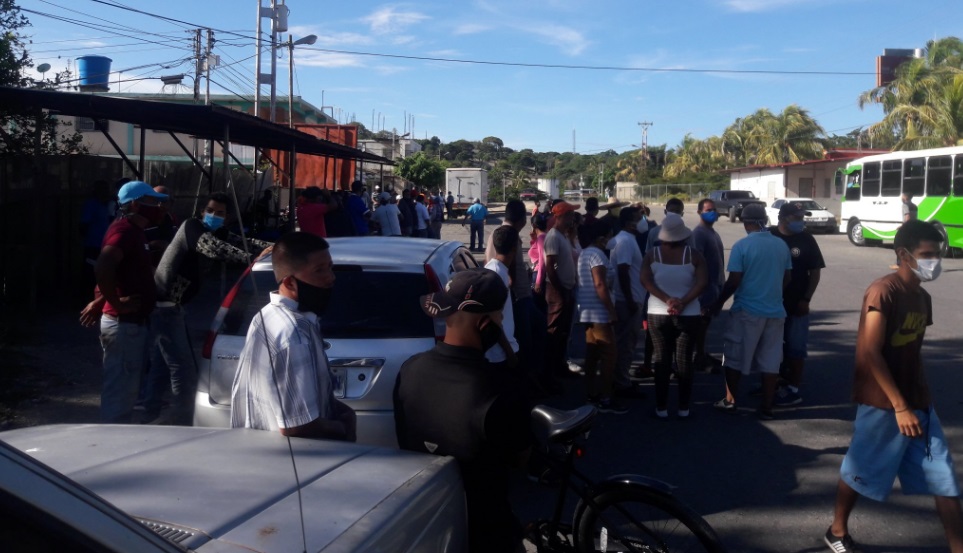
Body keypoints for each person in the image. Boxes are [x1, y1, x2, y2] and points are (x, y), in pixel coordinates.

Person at [824, 220, 963, 553]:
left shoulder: (922, 297)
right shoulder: (882, 291)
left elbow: (911, 352)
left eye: (937, 254)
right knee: (859, 469)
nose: (935, 262)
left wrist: (918, 400)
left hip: (918, 404)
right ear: (903, 254)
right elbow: (870, 351)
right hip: (882, 404)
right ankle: (836, 530)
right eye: (927, 254)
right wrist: (899, 405)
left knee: (944, 481)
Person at [394, 268, 533, 553]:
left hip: (427, 521)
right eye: (500, 317)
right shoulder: (500, 388)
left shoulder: (410, 370)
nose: (501, 322)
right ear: (486, 324)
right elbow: (520, 457)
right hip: (486, 530)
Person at [138, 193, 274, 425]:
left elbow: (240, 240)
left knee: (163, 365)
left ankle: (150, 411)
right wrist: (253, 257)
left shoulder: (215, 231)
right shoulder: (192, 228)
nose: (214, 216)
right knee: (183, 370)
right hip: (165, 307)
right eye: (210, 210)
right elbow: (216, 249)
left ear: (227, 217)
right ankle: (181, 419)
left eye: (220, 213)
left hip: (172, 306)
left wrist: (275, 247)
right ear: (202, 211)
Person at [230, 232, 356, 441]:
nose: (331, 278)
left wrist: (344, 411)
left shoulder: (267, 315)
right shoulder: (293, 335)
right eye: (319, 271)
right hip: (295, 464)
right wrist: (343, 427)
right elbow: (298, 426)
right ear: (289, 283)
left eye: (330, 267)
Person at [92, 181, 168, 424]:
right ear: (135, 204)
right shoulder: (123, 231)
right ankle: (111, 446)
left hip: (132, 324)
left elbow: (125, 272)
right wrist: (117, 302)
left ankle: (115, 439)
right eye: (153, 201)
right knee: (120, 393)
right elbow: (104, 266)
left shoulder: (135, 232)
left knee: (127, 390)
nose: (158, 206)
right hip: (123, 324)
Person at [712, 204, 792, 420]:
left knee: (735, 356)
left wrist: (717, 304)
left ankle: (730, 401)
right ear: (764, 220)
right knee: (771, 360)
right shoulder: (781, 245)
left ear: (745, 222)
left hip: (747, 311)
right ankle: (767, 407)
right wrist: (772, 294)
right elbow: (787, 278)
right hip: (775, 311)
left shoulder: (742, 246)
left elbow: (733, 281)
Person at [641, 213, 707, 419]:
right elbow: (702, 282)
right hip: (689, 314)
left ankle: (661, 408)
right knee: (684, 360)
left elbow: (646, 281)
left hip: (658, 312)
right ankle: (683, 408)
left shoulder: (652, 254)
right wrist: (683, 302)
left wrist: (666, 300)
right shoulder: (694, 255)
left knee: (661, 360)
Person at [486, 200, 545, 397]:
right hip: (517, 298)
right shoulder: (510, 239)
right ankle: (527, 384)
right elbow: (507, 271)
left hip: (518, 297)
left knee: (534, 334)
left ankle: (530, 380)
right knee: (524, 345)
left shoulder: (496, 234)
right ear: (521, 219)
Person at [769, 201, 825, 407]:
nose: (801, 221)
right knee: (771, 347)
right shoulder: (770, 236)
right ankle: (772, 383)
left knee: (796, 348)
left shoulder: (807, 239)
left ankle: (793, 388)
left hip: (796, 304)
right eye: (797, 218)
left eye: (802, 217)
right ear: (783, 218)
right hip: (771, 304)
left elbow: (815, 272)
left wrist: (806, 299)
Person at [577, 219, 627, 414]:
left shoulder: (585, 253)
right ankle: (606, 397)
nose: (610, 239)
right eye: (608, 236)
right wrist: (611, 310)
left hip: (588, 312)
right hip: (599, 312)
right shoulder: (597, 255)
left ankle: (592, 394)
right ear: (601, 237)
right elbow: (600, 285)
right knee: (609, 355)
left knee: (593, 355)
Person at [608, 206, 646, 393]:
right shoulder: (625, 242)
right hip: (627, 301)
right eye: (639, 218)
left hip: (629, 299)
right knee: (625, 343)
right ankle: (622, 383)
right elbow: (623, 271)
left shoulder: (628, 239)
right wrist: (630, 300)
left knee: (625, 342)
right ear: (629, 223)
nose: (643, 221)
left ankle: (621, 379)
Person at [543, 201, 579, 382]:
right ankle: (549, 373)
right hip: (558, 290)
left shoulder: (563, 236)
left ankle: (559, 366)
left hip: (566, 289)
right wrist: (560, 290)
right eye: (571, 214)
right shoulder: (554, 237)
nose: (573, 218)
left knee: (563, 331)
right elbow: (549, 267)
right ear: (562, 216)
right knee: (554, 331)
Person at [692, 198, 725, 373]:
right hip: (705, 288)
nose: (712, 212)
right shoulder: (699, 234)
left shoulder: (712, 232)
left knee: (706, 323)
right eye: (708, 210)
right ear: (699, 212)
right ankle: (699, 357)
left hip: (715, 286)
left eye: (714, 209)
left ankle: (702, 353)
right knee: (701, 323)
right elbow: (696, 263)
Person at [483, 226, 520, 372]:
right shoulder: (498, 275)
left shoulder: (493, 268)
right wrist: (510, 353)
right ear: (514, 248)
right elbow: (493, 321)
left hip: (501, 351)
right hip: (500, 354)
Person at [79, 179, 115, 292]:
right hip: (93, 245)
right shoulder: (91, 204)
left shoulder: (108, 205)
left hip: (105, 245)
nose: (106, 192)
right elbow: (83, 224)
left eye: (107, 190)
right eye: (103, 189)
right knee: (90, 272)